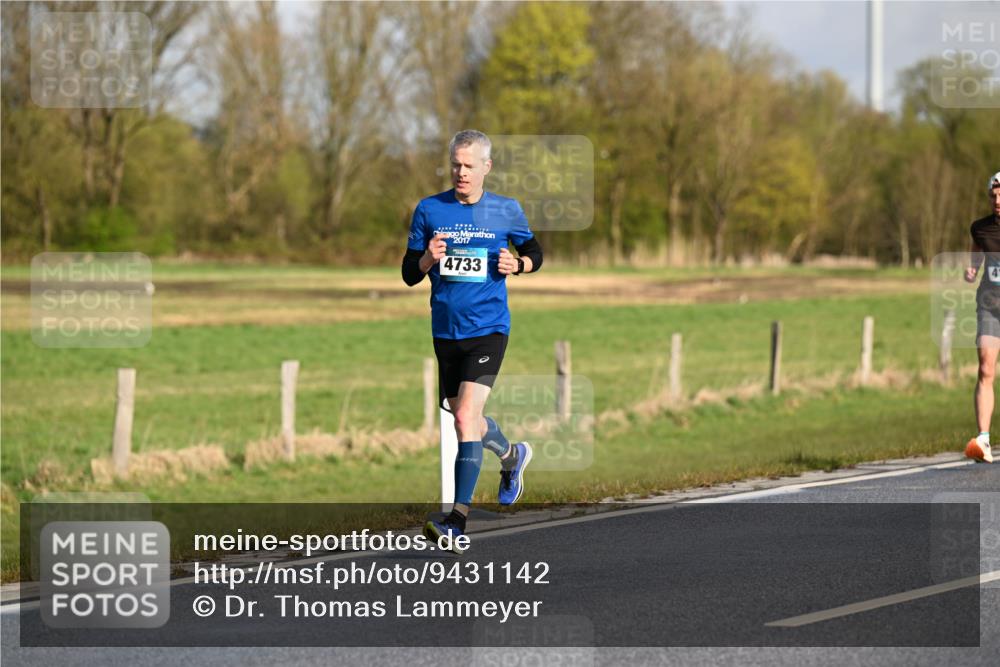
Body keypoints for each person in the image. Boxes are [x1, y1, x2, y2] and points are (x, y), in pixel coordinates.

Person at [401, 130, 544, 551]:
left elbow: (536, 253)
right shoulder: (429, 209)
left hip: (489, 330)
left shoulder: (506, 209)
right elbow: (408, 273)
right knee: (467, 419)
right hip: (446, 331)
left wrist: (519, 264)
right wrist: (427, 259)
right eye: (455, 165)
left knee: (464, 417)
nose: (461, 172)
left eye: (469, 165)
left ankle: (456, 523)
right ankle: (512, 456)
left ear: (486, 167)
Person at [963, 170, 1000, 463]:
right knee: (986, 368)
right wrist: (972, 269)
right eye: (993, 195)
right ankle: (983, 439)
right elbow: (976, 253)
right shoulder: (980, 228)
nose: (997, 200)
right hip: (990, 305)